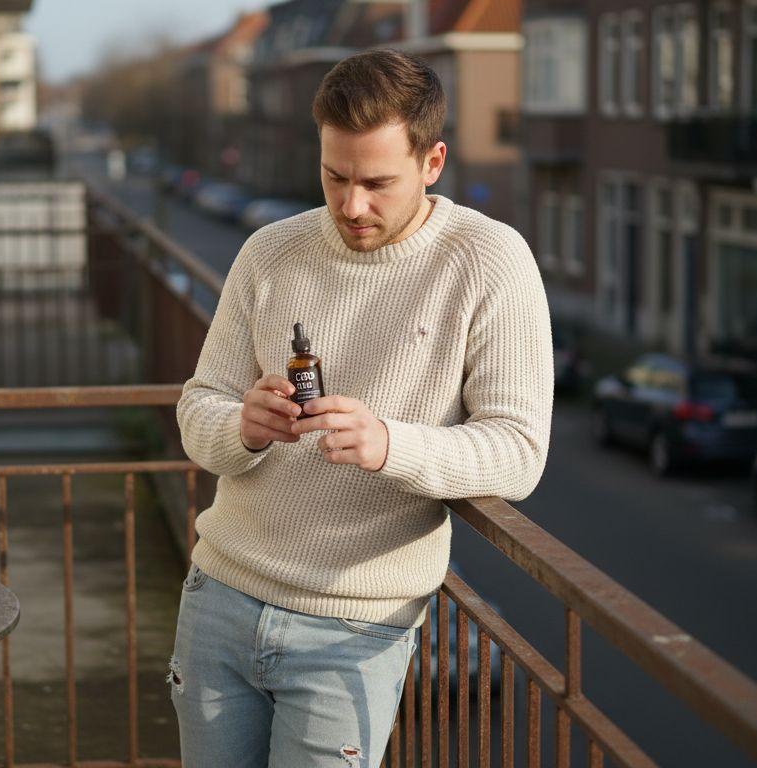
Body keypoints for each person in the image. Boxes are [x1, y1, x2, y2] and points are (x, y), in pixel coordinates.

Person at [170, 48, 553, 766]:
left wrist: (389, 445)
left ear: (433, 162)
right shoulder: (268, 252)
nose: (351, 206)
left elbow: (520, 453)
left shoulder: (491, 260)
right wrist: (240, 428)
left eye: (377, 183)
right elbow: (199, 410)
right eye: (334, 177)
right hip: (219, 594)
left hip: (355, 629)